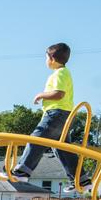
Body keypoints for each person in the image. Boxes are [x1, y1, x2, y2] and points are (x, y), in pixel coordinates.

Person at [10, 43, 85, 190]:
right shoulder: (64, 72)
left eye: (46, 58)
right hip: (65, 115)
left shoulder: (60, 73)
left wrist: (40, 95)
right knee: (63, 149)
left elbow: (58, 93)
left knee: (36, 138)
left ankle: (23, 170)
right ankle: (80, 180)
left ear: (51, 58)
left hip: (56, 114)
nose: (45, 61)